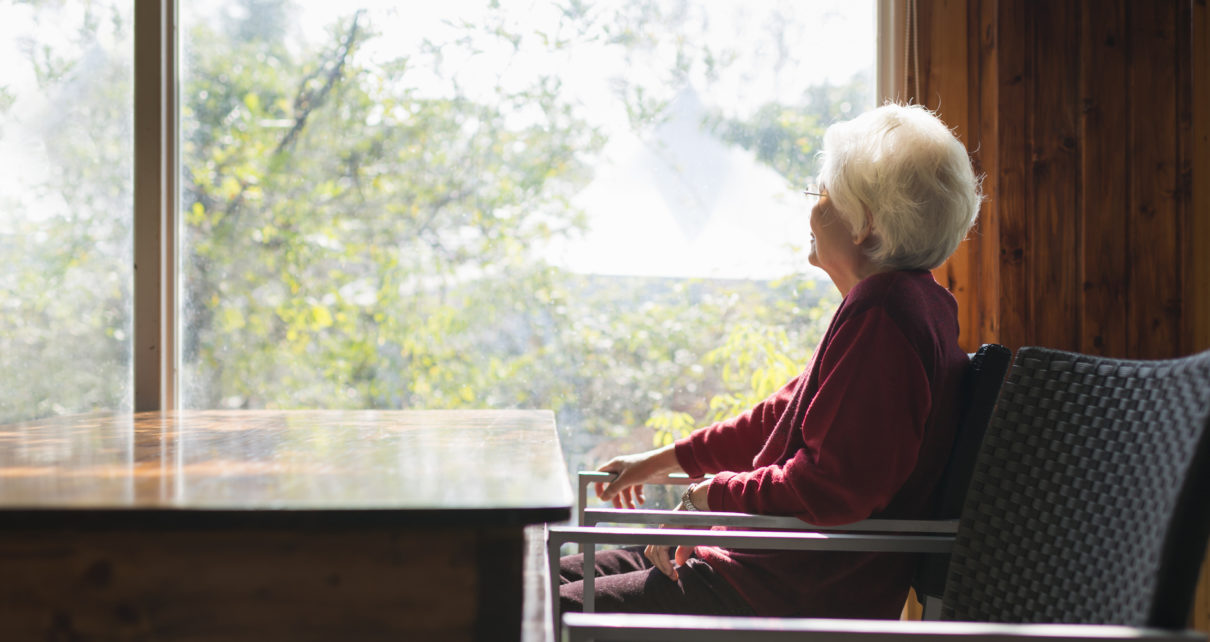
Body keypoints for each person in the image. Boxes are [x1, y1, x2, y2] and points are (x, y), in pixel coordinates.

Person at [559, 102, 983, 619]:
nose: (813, 207)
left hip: (780, 589)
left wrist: (705, 499)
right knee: (548, 578)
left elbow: (831, 486)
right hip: (762, 563)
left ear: (865, 224)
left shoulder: (885, 315)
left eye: (823, 193)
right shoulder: (907, 302)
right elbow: (776, 418)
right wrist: (658, 462)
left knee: (545, 608)